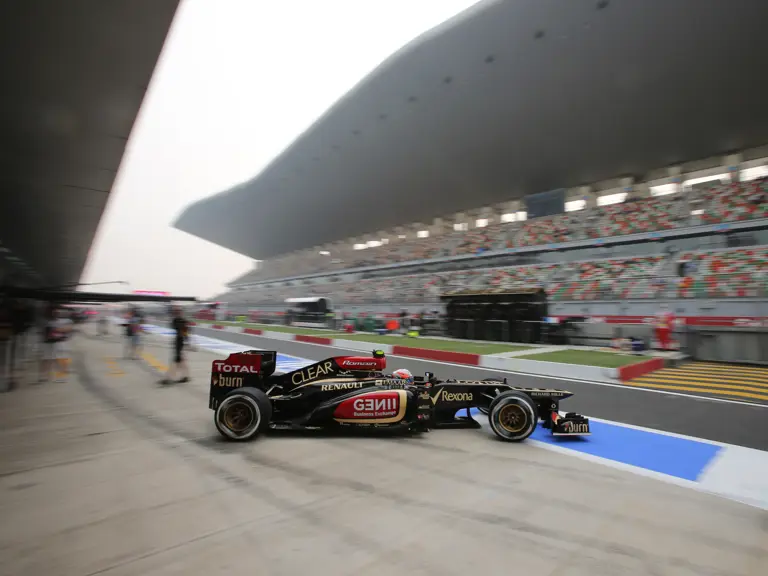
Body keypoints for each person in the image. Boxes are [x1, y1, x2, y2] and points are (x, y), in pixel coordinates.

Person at [40, 307, 73, 383]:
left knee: (54, 359)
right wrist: (59, 332)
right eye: (55, 313)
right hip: (48, 343)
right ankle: (44, 376)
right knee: (48, 359)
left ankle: (57, 376)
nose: (57, 314)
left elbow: (61, 331)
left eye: (57, 313)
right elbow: (51, 332)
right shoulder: (48, 322)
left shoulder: (56, 322)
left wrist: (59, 333)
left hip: (54, 343)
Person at [162, 306, 190, 384]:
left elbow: (178, 328)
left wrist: (186, 339)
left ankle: (169, 378)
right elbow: (185, 331)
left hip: (179, 341)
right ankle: (185, 376)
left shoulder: (178, 321)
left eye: (176, 312)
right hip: (180, 341)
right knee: (181, 361)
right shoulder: (182, 321)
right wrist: (187, 341)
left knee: (176, 360)